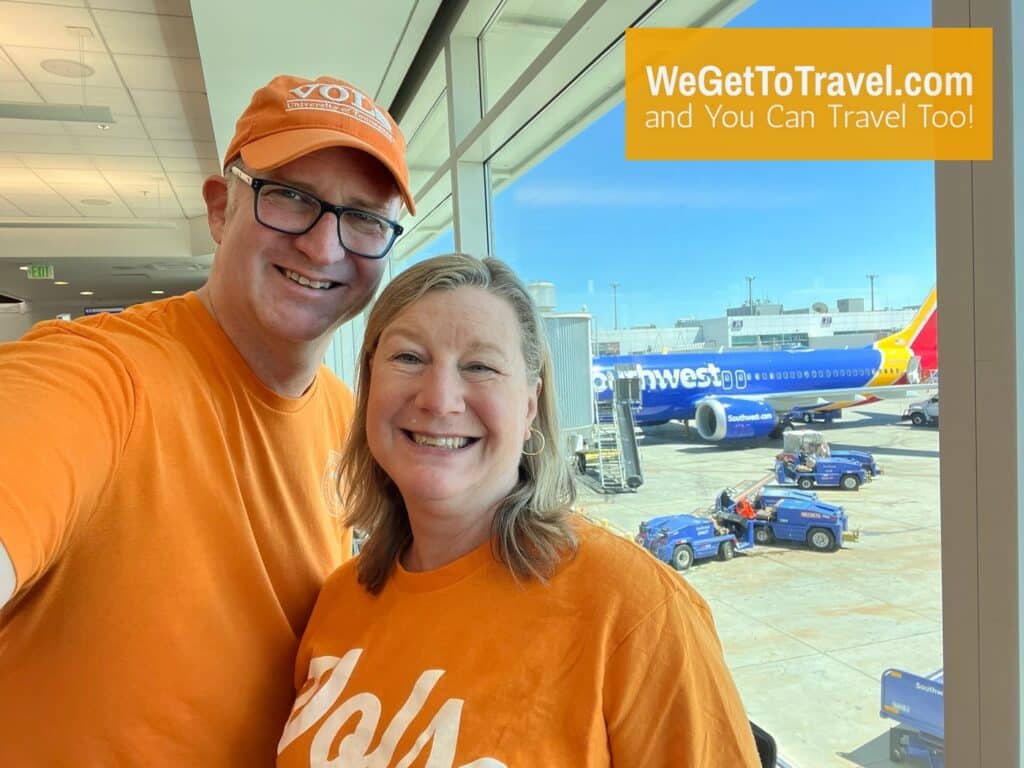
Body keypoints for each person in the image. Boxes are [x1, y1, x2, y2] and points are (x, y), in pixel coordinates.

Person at [0, 74, 414, 766]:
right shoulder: (100, 376)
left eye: (364, 217)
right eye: (290, 197)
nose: (323, 247)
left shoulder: (354, 423)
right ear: (222, 209)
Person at [276, 254, 760, 767]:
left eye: (480, 366)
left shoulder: (634, 612)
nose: (440, 400)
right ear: (369, 385)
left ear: (530, 405)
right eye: (409, 358)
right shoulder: (338, 601)